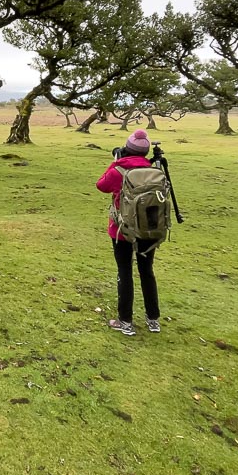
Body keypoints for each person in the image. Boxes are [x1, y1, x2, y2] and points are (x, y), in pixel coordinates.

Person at [96, 129, 161, 337]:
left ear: (126, 148)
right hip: (149, 230)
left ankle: (125, 321)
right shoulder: (154, 170)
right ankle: (153, 319)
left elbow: (101, 185)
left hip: (122, 231)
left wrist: (115, 162)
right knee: (146, 271)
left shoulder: (120, 170)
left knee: (124, 272)